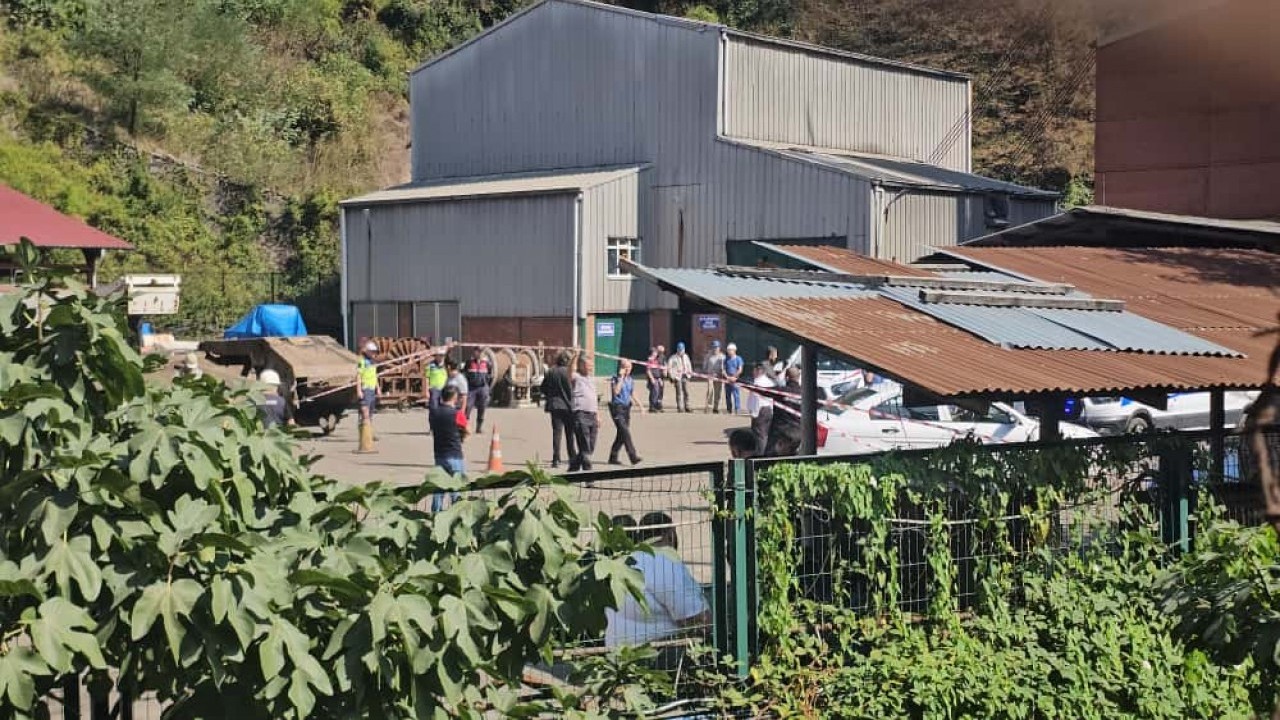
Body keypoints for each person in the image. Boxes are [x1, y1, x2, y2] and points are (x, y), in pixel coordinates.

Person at [605, 511, 711, 666]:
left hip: (615, 652)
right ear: (669, 534)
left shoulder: (625, 559)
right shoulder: (665, 562)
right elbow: (696, 618)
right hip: (654, 653)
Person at [428, 386, 470, 511]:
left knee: (439, 486)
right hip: (454, 454)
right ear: (455, 397)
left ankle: (435, 512)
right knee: (456, 488)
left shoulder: (435, 413)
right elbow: (467, 430)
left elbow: (432, 428)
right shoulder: (457, 414)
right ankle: (456, 512)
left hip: (439, 454)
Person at [540, 352, 576, 469]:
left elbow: (543, 388)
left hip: (555, 406)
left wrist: (550, 395)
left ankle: (556, 459)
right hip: (568, 406)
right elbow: (571, 391)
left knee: (557, 433)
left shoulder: (551, 372)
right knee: (569, 434)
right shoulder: (569, 373)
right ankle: (572, 457)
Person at [607, 359, 642, 465]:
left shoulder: (630, 380)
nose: (627, 369)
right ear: (621, 368)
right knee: (625, 432)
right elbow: (616, 391)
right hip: (617, 408)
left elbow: (632, 393)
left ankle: (613, 456)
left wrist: (640, 405)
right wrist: (621, 377)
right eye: (625, 367)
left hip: (627, 408)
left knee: (621, 434)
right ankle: (633, 456)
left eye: (629, 367)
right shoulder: (615, 379)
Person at [765, 366, 803, 457]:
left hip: (779, 432)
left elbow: (761, 390)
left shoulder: (780, 391)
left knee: (770, 458)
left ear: (786, 377)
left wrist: (739, 381)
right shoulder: (805, 393)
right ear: (799, 377)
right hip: (797, 432)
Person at [569, 356, 598, 471]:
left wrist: (598, 416)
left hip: (592, 415)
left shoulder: (592, 379)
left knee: (590, 446)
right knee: (585, 446)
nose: (590, 367)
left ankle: (574, 465)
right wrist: (575, 357)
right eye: (588, 365)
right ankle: (588, 473)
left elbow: (594, 398)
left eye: (591, 365)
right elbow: (570, 371)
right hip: (580, 414)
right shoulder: (577, 377)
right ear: (581, 366)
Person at [747, 362, 775, 451]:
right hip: (768, 409)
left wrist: (754, 413)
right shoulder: (769, 382)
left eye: (754, 370)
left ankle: (761, 453)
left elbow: (756, 399)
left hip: (760, 410)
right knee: (765, 434)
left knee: (759, 435)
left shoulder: (757, 382)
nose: (753, 372)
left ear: (758, 371)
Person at [464, 349, 493, 433]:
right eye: (476, 352)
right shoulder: (469, 362)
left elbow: (490, 374)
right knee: (468, 407)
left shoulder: (486, 363)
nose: (478, 354)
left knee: (482, 407)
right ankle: (465, 426)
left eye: (479, 353)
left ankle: (479, 427)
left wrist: (487, 384)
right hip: (471, 388)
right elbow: (465, 373)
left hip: (482, 388)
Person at [355, 341, 380, 432]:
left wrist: (378, 388)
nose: (374, 353)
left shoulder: (373, 363)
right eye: (372, 352)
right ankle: (365, 434)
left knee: (370, 413)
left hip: (372, 389)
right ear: (368, 352)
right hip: (365, 389)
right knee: (365, 412)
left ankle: (368, 432)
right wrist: (359, 390)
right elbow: (358, 376)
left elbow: (375, 376)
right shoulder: (362, 362)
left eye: (375, 352)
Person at [666, 342, 693, 413]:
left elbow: (689, 365)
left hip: (685, 376)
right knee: (679, 392)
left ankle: (687, 406)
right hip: (677, 377)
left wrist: (690, 374)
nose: (681, 351)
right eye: (679, 349)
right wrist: (672, 377)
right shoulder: (673, 358)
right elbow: (669, 368)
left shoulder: (686, 357)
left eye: (682, 349)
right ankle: (680, 407)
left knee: (686, 392)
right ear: (677, 349)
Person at [702, 341, 725, 413]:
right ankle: (708, 407)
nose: (715, 349)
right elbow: (704, 366)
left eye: (716, 347)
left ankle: (716, 407)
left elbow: (724, 367)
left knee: (718, 392)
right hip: (710, 376)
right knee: (710, 391)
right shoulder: (708, 356)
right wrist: (707, 372)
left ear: (719, 348)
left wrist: (722, 373)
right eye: (714, 347)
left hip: (719, 376)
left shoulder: (722, 357)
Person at [723, 342, 744, 414]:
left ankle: (737, 409)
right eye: (728, 350)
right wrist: (727, 377)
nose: (729, 352)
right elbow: (723, 369)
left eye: (730, 350)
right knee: (727, 395)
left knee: (736, 395)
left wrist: (734, 377)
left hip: (735, 380)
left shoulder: (738, 359)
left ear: (734, 350)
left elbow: (740, 369)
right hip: (727, 380)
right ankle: (729, 409)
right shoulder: (726, 359)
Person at [646, 345, 666, 412]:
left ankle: (657, 405)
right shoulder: (649, 360)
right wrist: (652, 378)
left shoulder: (656, 360)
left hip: (658, 378)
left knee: (659, 391)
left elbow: (658, 370)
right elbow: (648, 370)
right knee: (654, 392)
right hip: (653, 378)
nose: (656, 354)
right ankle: (652, 406)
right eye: (654, 352)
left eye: (656, 353)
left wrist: (660, 378)